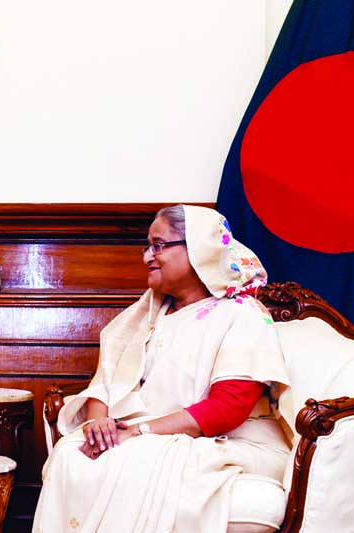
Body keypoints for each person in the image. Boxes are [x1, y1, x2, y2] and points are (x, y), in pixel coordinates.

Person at [33, 205, 291, 533]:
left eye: (159, 245)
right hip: (143, 434)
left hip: (226, 440)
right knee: (72, 453)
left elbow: (229, 407)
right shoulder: (147, 315)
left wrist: (139, 432)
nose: (147, 257)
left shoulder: (241, 315)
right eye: (147, 246)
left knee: (132, 458)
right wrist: (99, 426)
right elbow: (106, 383)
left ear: (198, 248)